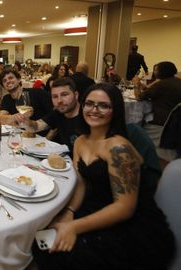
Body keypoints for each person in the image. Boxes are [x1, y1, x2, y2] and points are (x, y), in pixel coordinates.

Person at [32, 83, 174, 270]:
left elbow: (125, 208)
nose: (94, 110)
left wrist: (74, 227)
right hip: (95, 204)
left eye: (103, 105)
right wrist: (70, 212)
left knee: (68, 256)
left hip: (132, 225)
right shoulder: (81, 141)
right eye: (89, 104)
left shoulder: (119, 148)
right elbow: (81, 183)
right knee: (42, 242)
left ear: (115, 110)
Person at [19, 77, 80, 154]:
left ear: (76, 95)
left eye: (64, 94)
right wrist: (26, 120)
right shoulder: (58, 112)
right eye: (55, 96)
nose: (59, 100)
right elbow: (36, 127)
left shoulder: (88, 118)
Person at [135, 61, 181, 162]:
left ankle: (142, 155)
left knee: (136, 126)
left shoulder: (162, 84)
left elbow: (138, 97)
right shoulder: (178, 81)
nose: (154, 72)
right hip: (175, 122)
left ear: (162, 71)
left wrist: (135, 84)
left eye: (156, 70)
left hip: (161, 122)